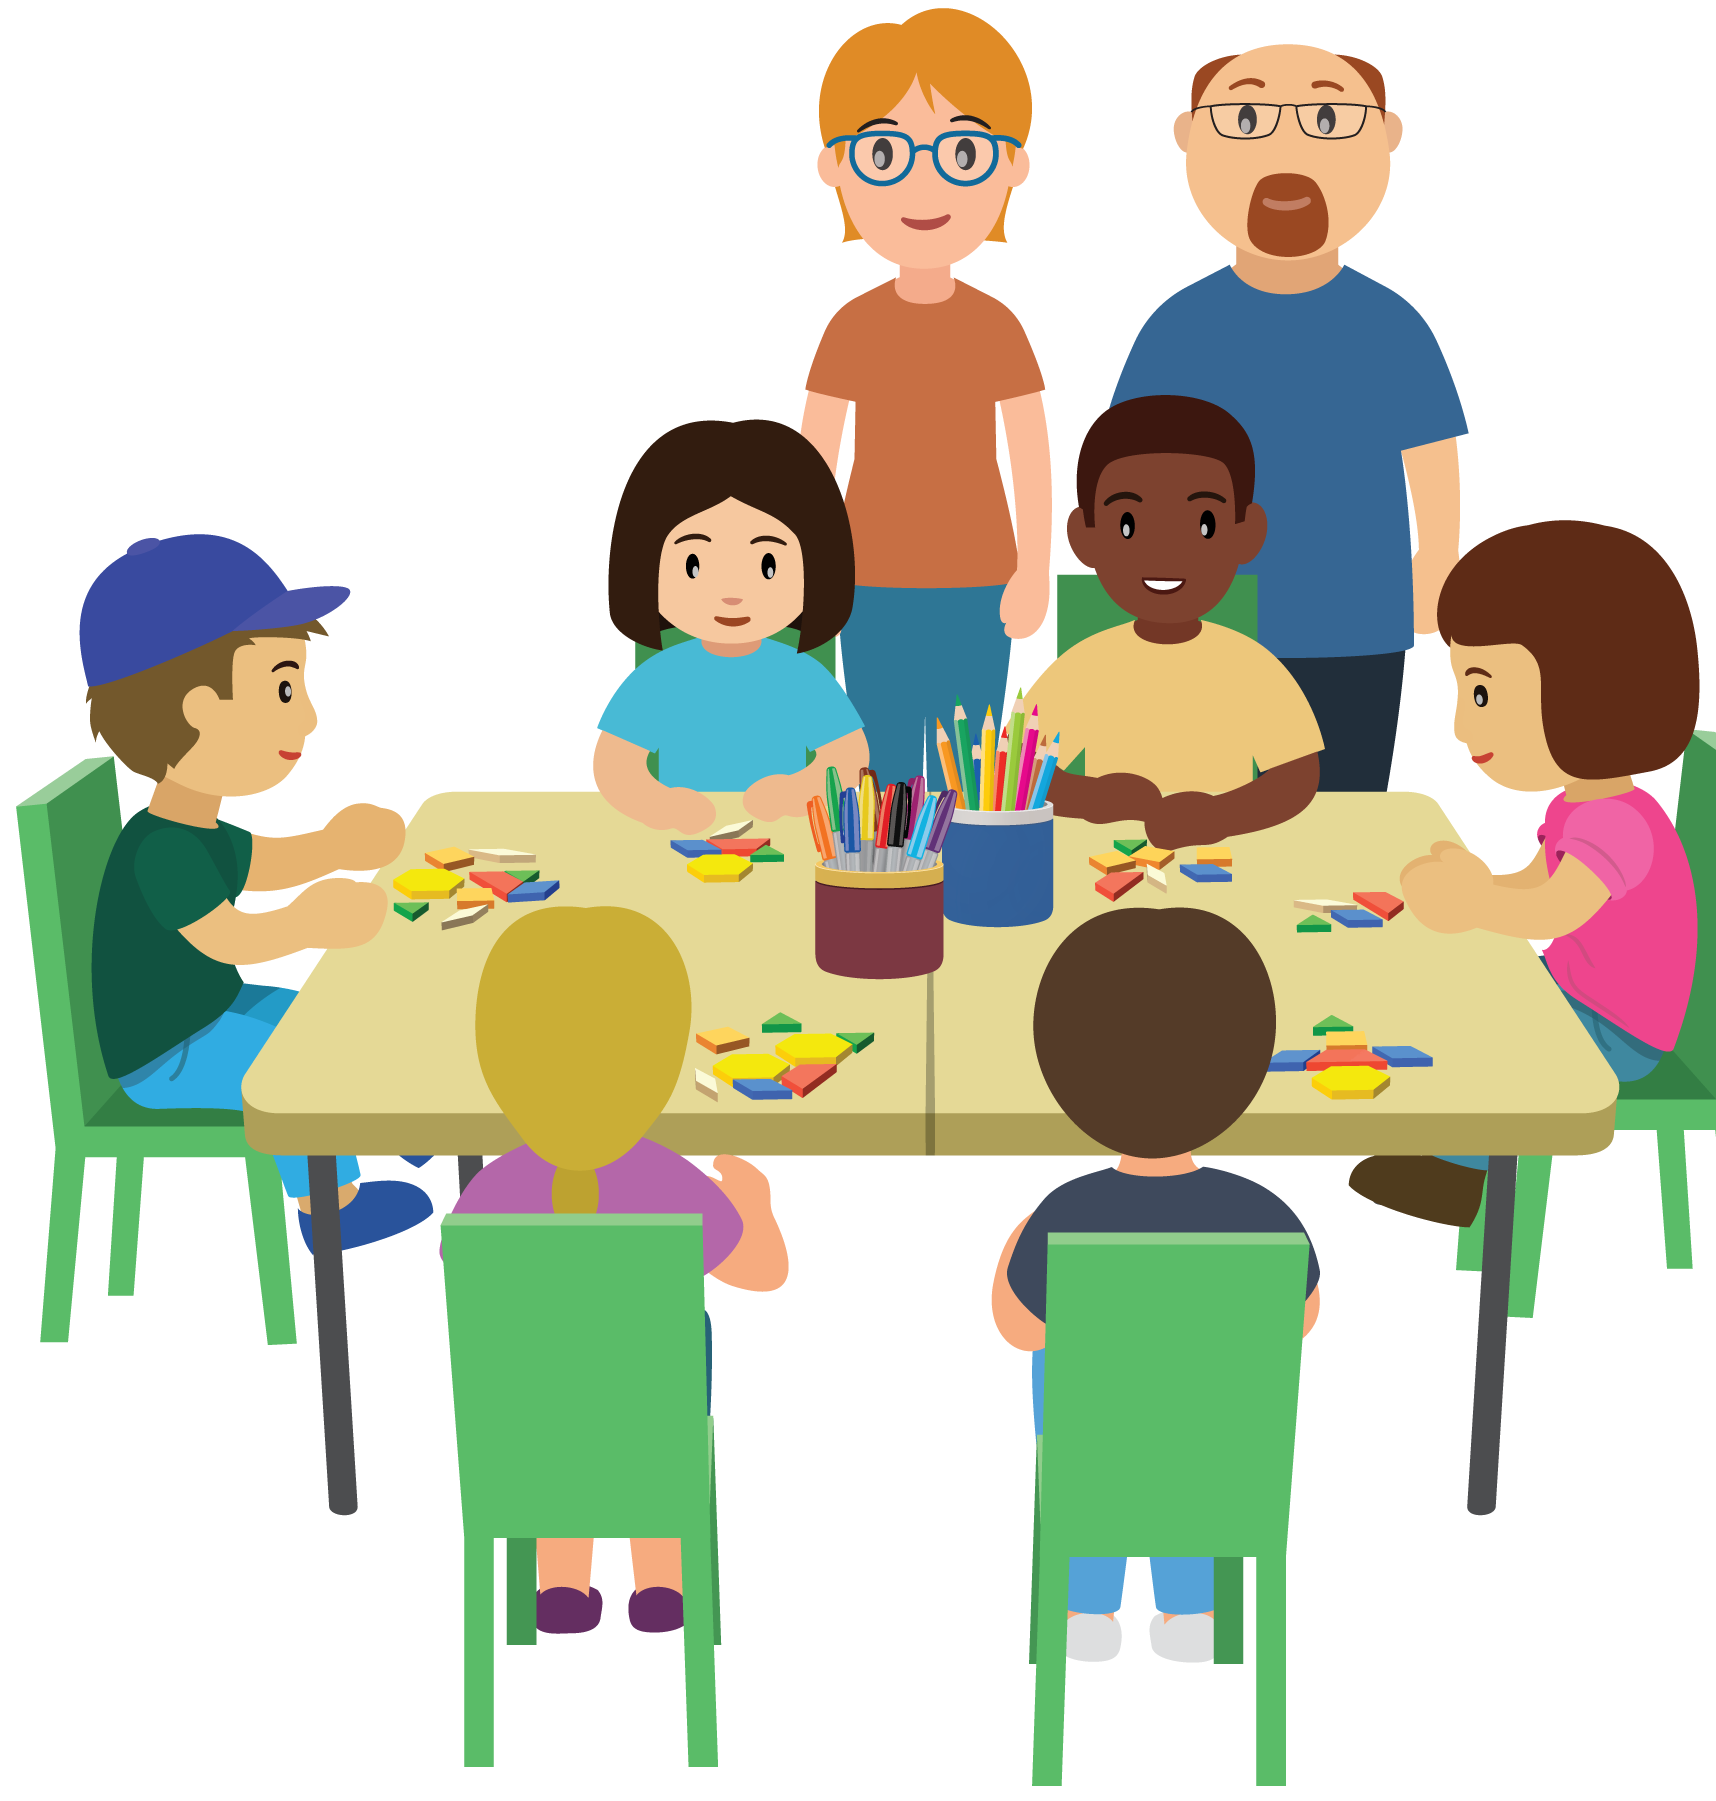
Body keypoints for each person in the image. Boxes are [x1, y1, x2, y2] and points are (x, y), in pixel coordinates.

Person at [1112, 43, 1465, 793]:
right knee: (1204, 808)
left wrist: (1437, 558)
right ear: (1189, 139)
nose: (1287, 150)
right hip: (1208, 613)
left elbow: (1428, 449)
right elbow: (1127, 468)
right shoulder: (1176, 327)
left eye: (1327, 118)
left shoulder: (1393, 324)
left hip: (1359, 613)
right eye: (1247, 118)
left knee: (1343, 805)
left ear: (1386, 139)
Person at [442, 905, 789, 1635]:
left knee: (560, 1456)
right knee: (653, 1452)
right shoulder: (673, 1184)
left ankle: (562, 1587)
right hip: (654, 1411)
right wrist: (753, 1202)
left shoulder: (486, 1194)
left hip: (527, 1427)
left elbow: (461, 1268)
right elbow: (764, 1273)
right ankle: (661, 1583)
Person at [81, 533, 433, 1251]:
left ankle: (401, 1121)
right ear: (201, 706)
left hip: (209, 1013)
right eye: (282, 686)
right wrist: (308, 919)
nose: (305, 715)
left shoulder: (198, 827)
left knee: (327, 1014)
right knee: (294, 1066)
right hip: (166, 1055)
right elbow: (231, 937)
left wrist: (338, 845)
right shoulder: (160, 851)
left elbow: (269, 861)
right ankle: (328, 1211)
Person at [990, 908, 1321, 1665]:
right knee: (1192, 1469)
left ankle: (1088, 1608)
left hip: (1091, 1456)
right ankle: (1190, 1608)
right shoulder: (1269, 1218)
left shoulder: (1064, 1214)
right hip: (1219, 1463)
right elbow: (1299, 1320)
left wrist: (1019, 1234)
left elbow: (1018, 1326)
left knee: (1092, 1459)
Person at [1356, 521, 1700, 1225]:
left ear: (1590, 687)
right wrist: (1479, 883)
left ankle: (1455, 1175)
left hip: (1617, 1033)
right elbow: (1536, 883)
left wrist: (1476, 902)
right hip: (1580, 992)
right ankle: (1435, 1140)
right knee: (1457, 993)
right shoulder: (1581, 803)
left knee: (1488, 1036)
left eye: (1480, 695)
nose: (1457, 725)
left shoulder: (1620, 822)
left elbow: (1553, 913)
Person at [802, 7, 1049, 781]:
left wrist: (1034, 567)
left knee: (970, 761)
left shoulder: (999, 326)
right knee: (876, 754)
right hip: (865, 578)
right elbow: (813, 461)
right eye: (885, 152)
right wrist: (813, 572)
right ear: (835, 168)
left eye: (963, 151)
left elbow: (1031, 454)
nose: (924, 181)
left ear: (1012, 167)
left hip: (982, 577)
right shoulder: (849, 325)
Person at [1026, 395, 1322, 847]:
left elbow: (1297, 777)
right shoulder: (1082, 667)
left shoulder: (1251, 667)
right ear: (1085, 537)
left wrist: (1223, 815)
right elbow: (1017, 768)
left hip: (1229, 860)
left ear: (1247, 535)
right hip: (1102, 863)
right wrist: (1091, 798)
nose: (1164, 552)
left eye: (1204, 523)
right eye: (1128, 523)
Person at [597, 419, 869, 837]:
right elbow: (615, 766)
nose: (731, 595)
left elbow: (850, 758)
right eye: (694, 565)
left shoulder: (801, 675)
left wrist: (799, 790)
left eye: (767, 566)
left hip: (790, 836)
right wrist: (657, 805)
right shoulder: (658, 677)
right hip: (679, 838)